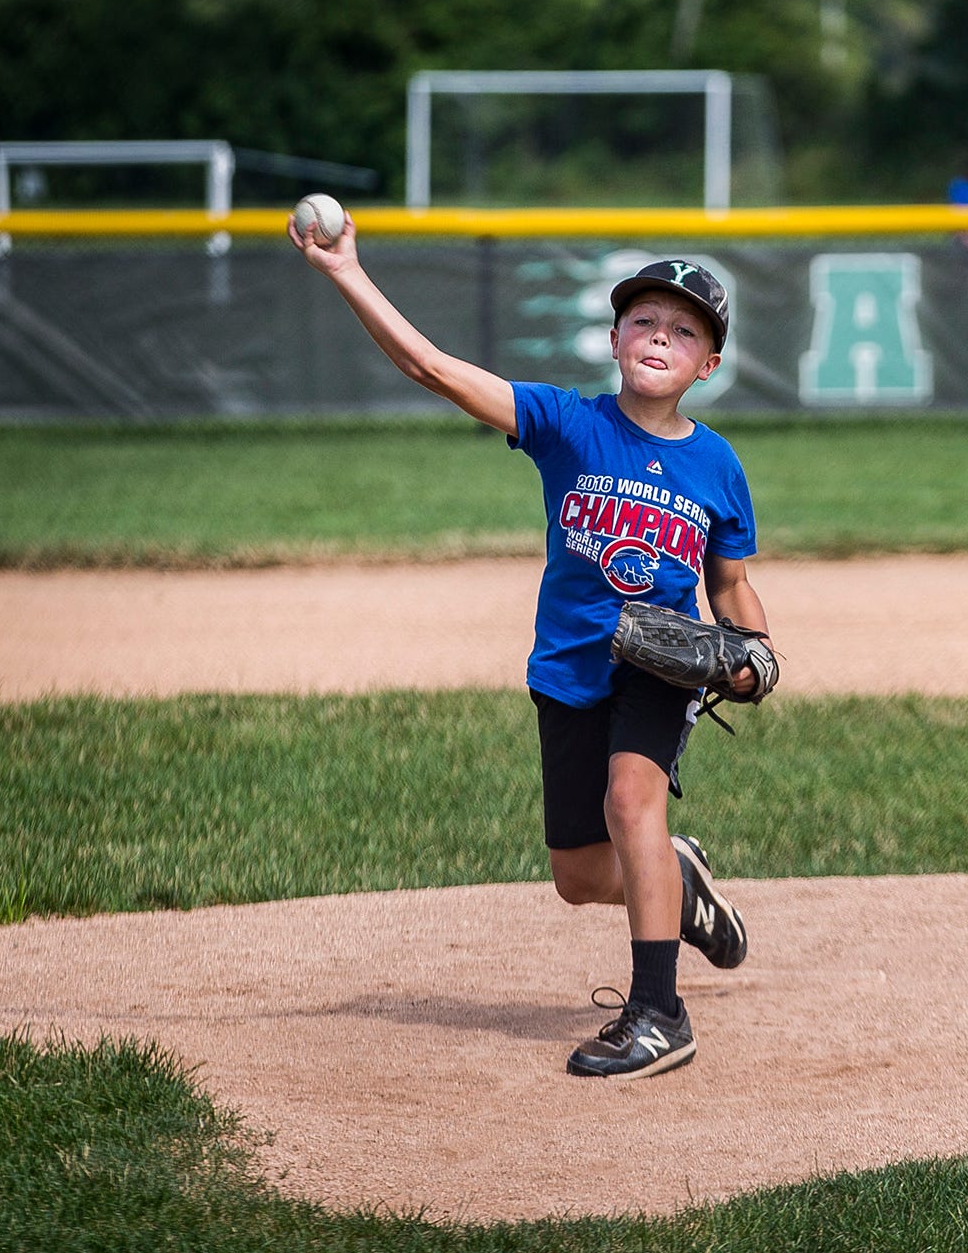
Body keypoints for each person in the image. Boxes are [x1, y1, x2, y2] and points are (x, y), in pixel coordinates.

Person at [289, 211, 773, 1081]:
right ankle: (679, 882)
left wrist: (756, 650)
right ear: (615, 338)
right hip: (570, 665)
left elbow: (730, 581)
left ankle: (659, 1013)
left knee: (632, 804)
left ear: (708, 364)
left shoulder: (717, 465)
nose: (660, 336)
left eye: (684, 330)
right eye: (644, 320)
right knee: (580, 876)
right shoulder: (565, 422)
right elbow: (430, 367)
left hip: (659, 666)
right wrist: (346, 271)